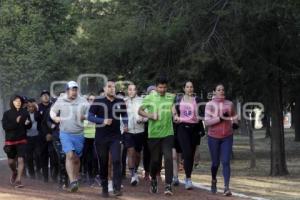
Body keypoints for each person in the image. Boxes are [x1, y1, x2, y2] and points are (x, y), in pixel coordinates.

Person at [88, 80, 128, 197]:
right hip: (101, 137)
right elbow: (90, 116)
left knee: (116, 160)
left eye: (113, 87)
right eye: (109, 87)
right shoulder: (98, 101)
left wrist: (125, 124)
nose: (112, 89)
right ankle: (104, 188)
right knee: (104, 163)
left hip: (115, 136)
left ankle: (116, 188)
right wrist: (103, 121)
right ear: (104, 89)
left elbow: (124, 115)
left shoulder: (120, 101)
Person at [50, 81, 89, 192]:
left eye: (76, 89)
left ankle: (75, 179)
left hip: (79, 133)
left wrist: (84, 116)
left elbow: (90, 113)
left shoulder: (83, 101)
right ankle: (72, 181)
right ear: (67, 90)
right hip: (65, 133)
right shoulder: (61, 100)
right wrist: (55, 118)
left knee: (76, 159)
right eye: (72, 89)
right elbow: (52, 111)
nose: (74, 91)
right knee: (70, 155)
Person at [138, 76, 175, 195]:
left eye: (164, 87)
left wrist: (176, 116)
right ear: (156, 86)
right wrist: (150, 115)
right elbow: (140, 111)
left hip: (168, 133)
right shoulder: (149, 97)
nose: (162, 89)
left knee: (169, 158)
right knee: (155, 161)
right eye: (160, 87)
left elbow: (173, 109)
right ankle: (153, 178)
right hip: (154, 134)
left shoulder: (170, 97)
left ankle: (168, 185)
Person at [204, 84, 239, 196]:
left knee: (225, 161)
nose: (221, 91)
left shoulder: (229, 104)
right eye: (219, 89)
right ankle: (214, 179)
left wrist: (235, 123)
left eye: (223, 89)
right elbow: (207, 122)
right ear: (214, 92)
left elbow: (234, 116)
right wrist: (220, 118)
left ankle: (226, 187)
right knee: (215, 163)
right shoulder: (210, 105)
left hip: (227, 137)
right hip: (213, 137)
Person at [173, 81, 206, 190]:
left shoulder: (198, 100)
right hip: (182, 128)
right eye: (187, 87)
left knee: (190, 155)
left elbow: (204, 113)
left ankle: (188, 177)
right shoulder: (179, 99)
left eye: (191, 87)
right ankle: (187, 179)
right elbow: (173, 108)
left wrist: (200, 117)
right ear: (184, 89)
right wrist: (175, 116)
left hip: (194, 129)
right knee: (186, 152)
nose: (190, 89)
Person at [2, 95, 32, 188]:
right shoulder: (7, 113)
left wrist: (28, 123)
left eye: (19, 101)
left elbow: (28, 125)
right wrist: (16, 122)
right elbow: (5, 127)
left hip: (22, 139)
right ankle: (15, 172)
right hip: (10, 140)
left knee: (21, 159)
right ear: (12, 102)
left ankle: (19, 180)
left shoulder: (25, 112)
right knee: (11, 162)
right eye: (16, 101)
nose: (18, 102)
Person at [124, 84, 147, 186]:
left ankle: (135, 170)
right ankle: (133, 174)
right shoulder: (124, 101)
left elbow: (147, 115)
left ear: (136, 91)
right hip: (128, 131)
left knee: (137, 155)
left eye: (133, 90)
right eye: (130, 90)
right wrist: (123, 126)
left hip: (140, 131)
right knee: (131, 151)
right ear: (127, 91)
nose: (131, 91)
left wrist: (142, 119)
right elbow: (120, 115)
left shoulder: (142, 101)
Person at [82, 93, 99, 185]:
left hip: (95, 137)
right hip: (85, 137)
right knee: (86, 158)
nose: (92, 101)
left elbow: (100, 123)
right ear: (88, 101)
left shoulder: (99, 110)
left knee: (95, 158)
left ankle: (95, 175)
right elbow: (81, 123)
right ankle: (86, 175)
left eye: (94, 100)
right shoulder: (84, 111)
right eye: (90, 99)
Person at [25, 98, 40, 179]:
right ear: (27, 107)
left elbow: (40, 118)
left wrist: (37, 108)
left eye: (32, 106)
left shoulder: (38, 114)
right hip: (28, 137)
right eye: (29, 106)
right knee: (29, 157)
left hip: (37, 137)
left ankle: (38, 171)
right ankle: (32, 173)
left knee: (38, 155)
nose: (31, 108)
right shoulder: (25, 114)